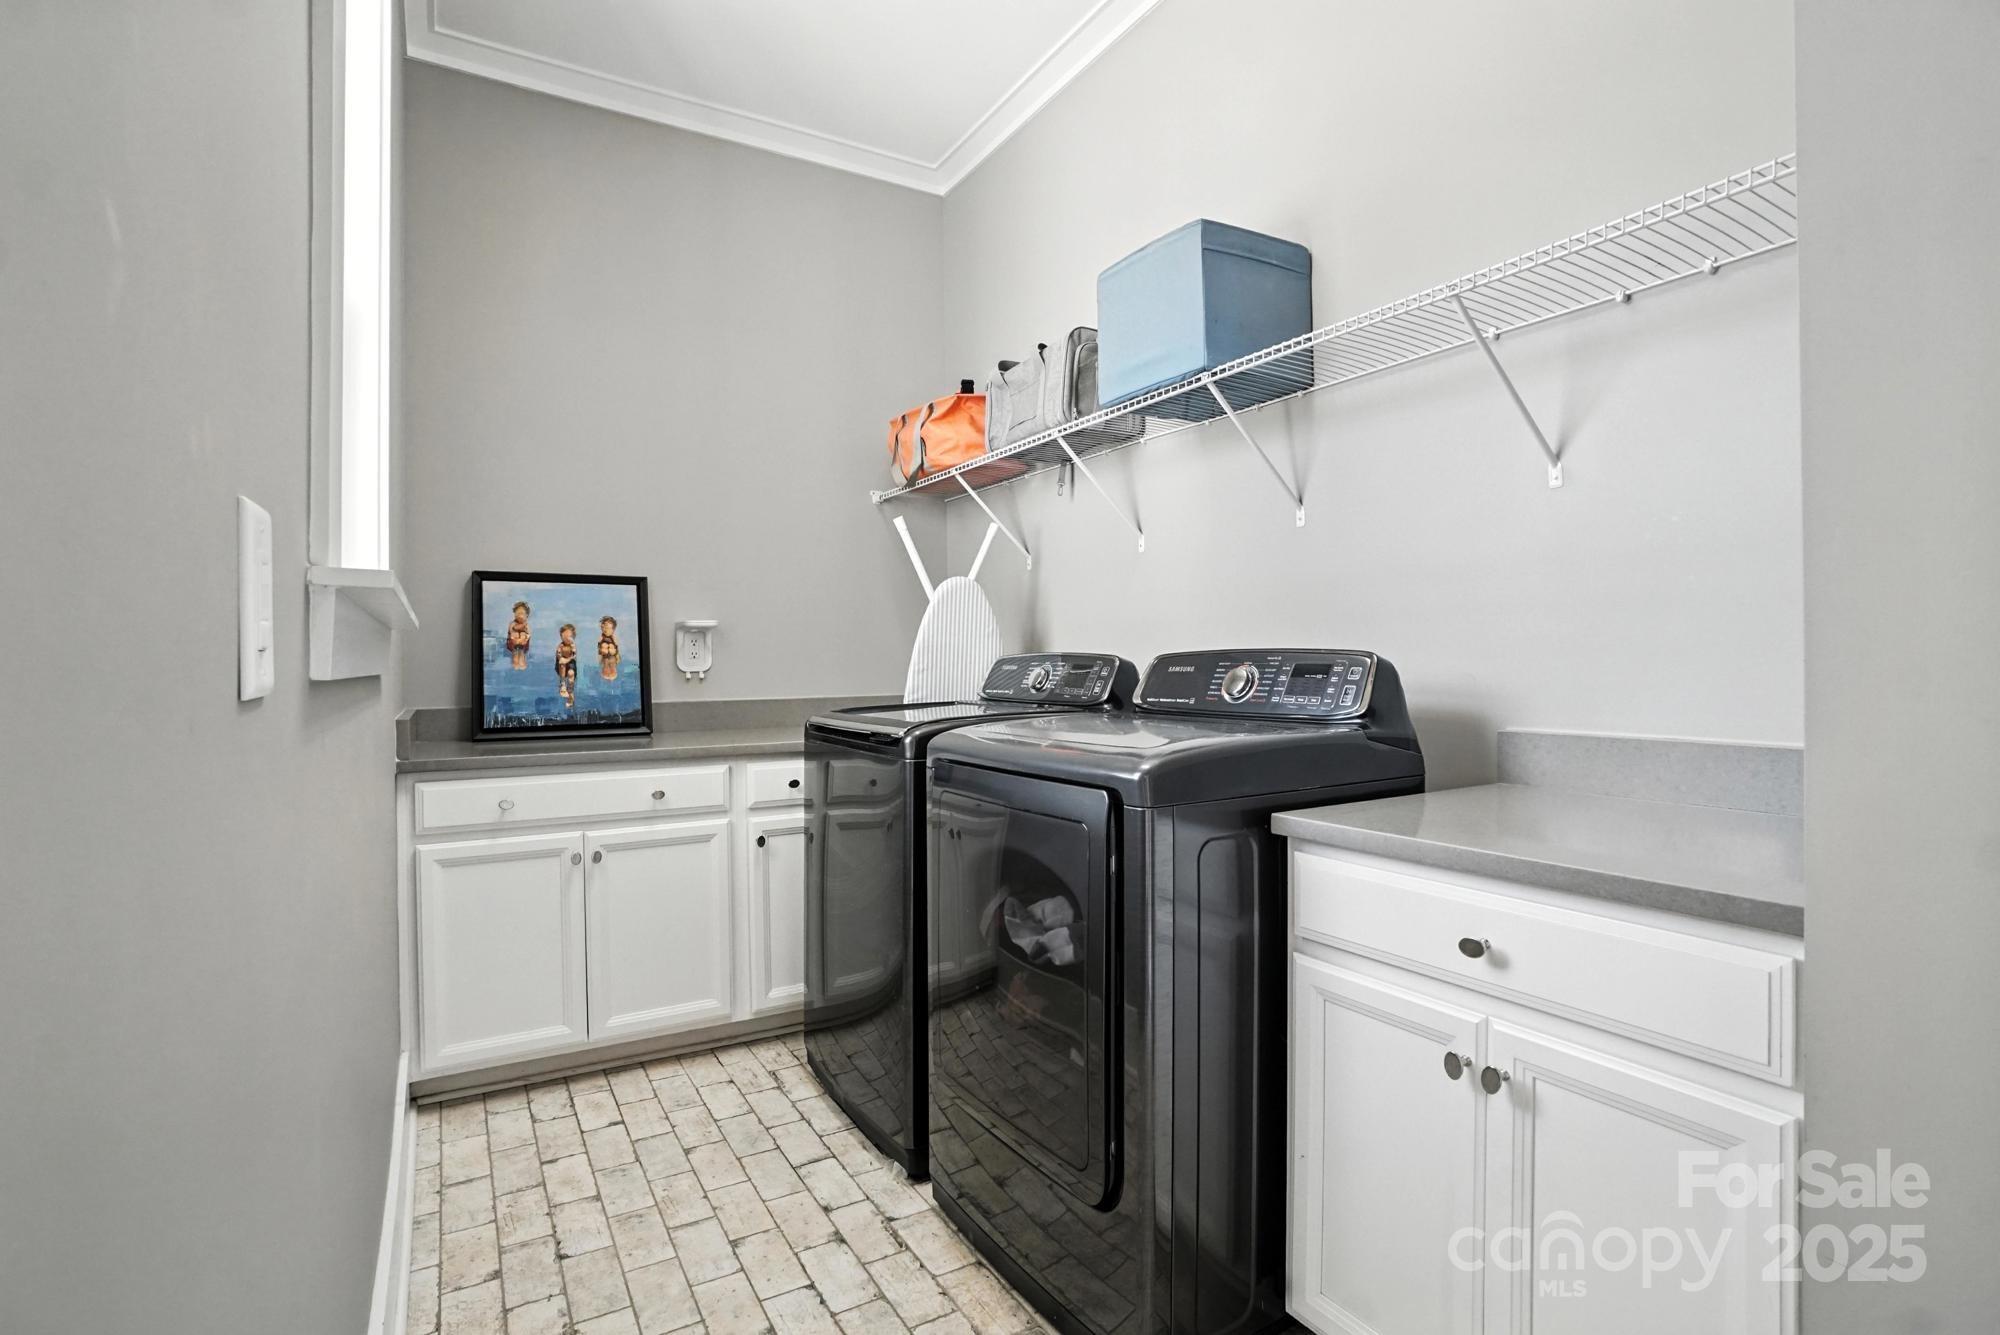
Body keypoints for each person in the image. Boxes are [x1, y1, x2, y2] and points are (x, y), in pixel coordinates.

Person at [555, 623, 579, 705]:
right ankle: (562, 683)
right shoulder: (560, 646)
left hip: (571, 664)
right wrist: (565, 659)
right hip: (561, 666)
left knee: (571, 673)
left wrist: (568, 659)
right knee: (562, 664)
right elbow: (560, 658)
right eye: (564, 637)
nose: (567, 639)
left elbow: (574, 656)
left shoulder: (573, 646)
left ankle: (570, 691)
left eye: (569, 636)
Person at [505, 601, 531, 670]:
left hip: (523, 644)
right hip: (513, 643)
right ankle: (515, 660)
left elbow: (529, 634)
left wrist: (525, 638)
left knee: (523, 634)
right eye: (517, 613)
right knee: (516, 633)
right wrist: (517, 640)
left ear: (527, 615)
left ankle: (522, 659)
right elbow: (513, 629)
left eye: (522, 613)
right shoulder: (512, 623)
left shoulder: (527, 625)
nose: (519, 615)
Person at [597, 615, 621, 681]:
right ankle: (608, 669)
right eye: (603, 627)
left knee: (610, 648)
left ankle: (610, 671)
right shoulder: (602, 638)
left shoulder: (613, 638)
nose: (605, 629)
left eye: (607, 627)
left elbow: (616, 646)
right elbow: (599, 648)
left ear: (613, 629)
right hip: (606, 656)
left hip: (611, 655)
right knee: (605, 647)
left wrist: (617, 654)